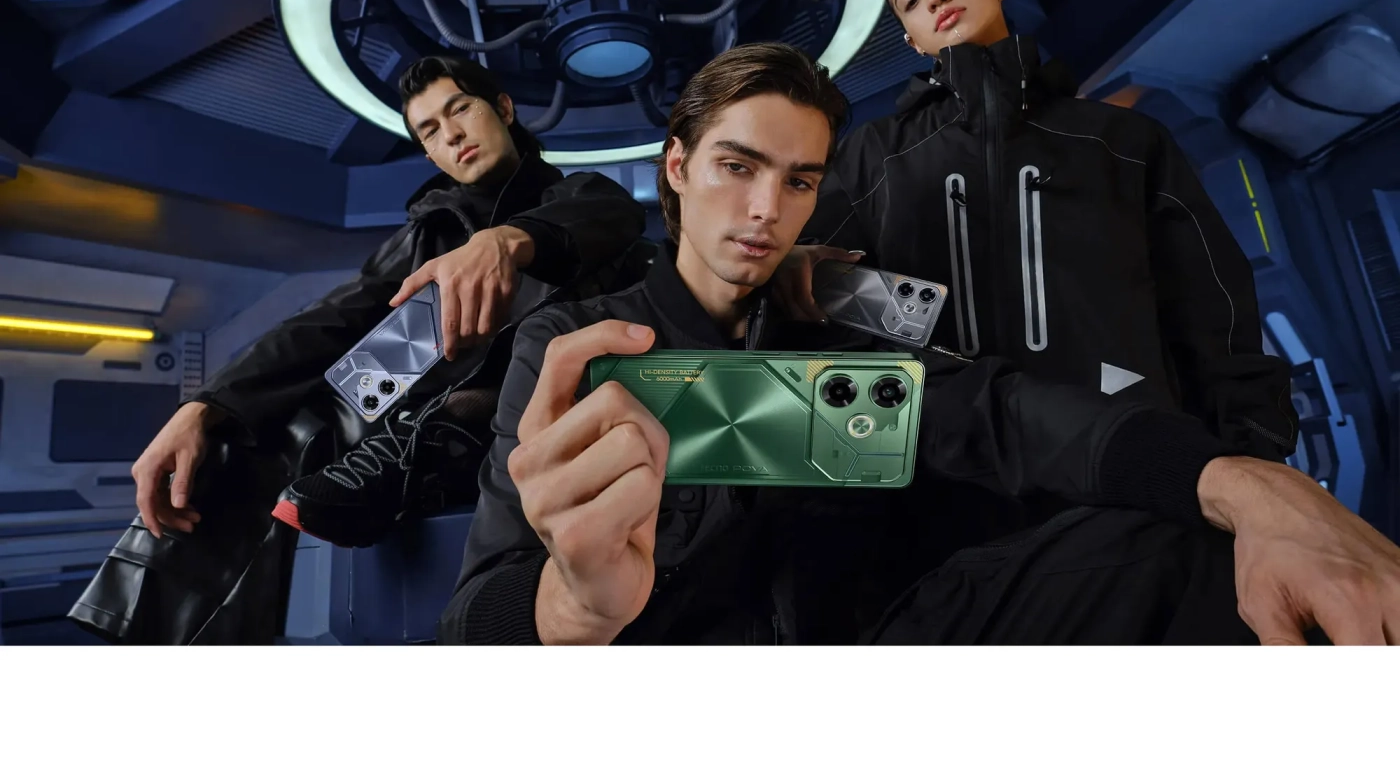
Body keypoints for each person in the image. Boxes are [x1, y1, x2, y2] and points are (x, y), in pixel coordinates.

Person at [437, 42, 1400, 646]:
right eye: (738, 166)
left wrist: (1244, 482)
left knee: (1185, 546)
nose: (767, 208)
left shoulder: (836, 328)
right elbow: (472, 621)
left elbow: (1005, 416)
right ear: (678, 168)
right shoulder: (576, 346)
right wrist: (569, 609)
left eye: (800, 181)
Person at [779, 0, 1300, 468]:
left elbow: (1209, 305)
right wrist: (795, 261)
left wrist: (1255, 445)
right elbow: (798, 279)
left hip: (1125, 457)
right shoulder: (874, 156)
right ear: (912, 40)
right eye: (911, 1)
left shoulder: (1122, 142)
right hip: (953, 469)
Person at [130, 54, 647, 551]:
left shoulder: (586, 197)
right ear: (429, 155)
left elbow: (611, 215)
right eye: (430, 131)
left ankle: (431, 437)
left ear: (504, 110)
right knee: (232, 453)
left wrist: (506, 242)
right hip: (396, 431)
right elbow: (328, 321)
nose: (452, 134)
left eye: (461, 109)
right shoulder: (423, 239)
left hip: (557, 413)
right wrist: (205, 406)